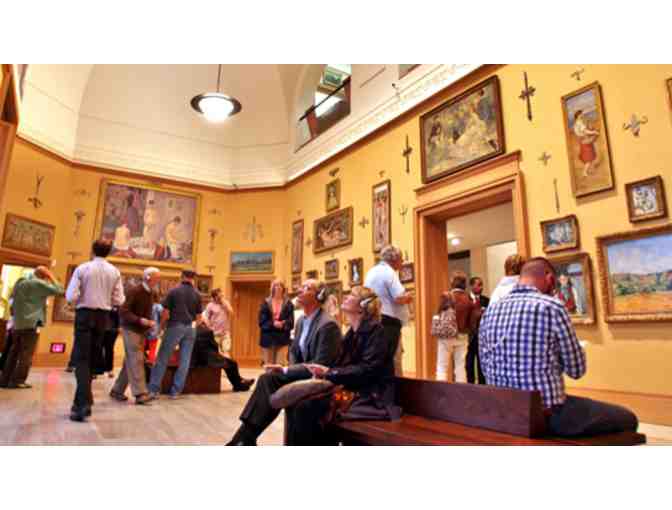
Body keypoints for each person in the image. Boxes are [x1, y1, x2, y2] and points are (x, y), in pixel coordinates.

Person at [479, 257, 638, 437]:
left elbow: (485, 367)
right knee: (628, 418)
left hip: (503, 413)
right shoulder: (551, 307)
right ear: (549, 278)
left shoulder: (490, 311)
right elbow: (576, 370)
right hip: (546, 415)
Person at [226, 279, 342, 446]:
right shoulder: (301, 321)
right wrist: (289, 369)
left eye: (307, 288)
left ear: (319, 296)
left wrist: (287, 371)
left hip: (319, 379)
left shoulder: (328, 325)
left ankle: (243, 439)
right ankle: (246, 437)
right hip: (304, 374)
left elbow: (320, 364)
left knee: (271, 380)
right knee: (267, 379)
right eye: (301, 287)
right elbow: (294, 351)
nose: (300, 290)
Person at [285, 286, 402, 445]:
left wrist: (330, 373)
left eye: (352, 295)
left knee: (307, 408)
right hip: (353, 392)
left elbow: (367, 370)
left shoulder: (377, 332)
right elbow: (341, 364)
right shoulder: (352, 333)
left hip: (372, 398)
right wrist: (324, 371)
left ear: (362, 306)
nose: (346, 296)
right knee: (299, 404)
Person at [66, 240, 125, 422]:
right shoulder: (114, 271)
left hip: (85, 314)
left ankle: (82, 404)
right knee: (91, 358)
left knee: (82, 359)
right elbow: (119, 300)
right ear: (109, 252)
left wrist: (79, 299)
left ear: (92, 250)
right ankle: (85, 399)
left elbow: (71, 296)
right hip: (103, 318)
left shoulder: (83, 268)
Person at [0, 266, 64, 389]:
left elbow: (12, 301)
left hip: (17, 323)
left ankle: (4, 379)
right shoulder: (39, 284)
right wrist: (51, 276)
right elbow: (60, 291)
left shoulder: (21, 282)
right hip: (31, 323)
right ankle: (18, 381)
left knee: (13, 352)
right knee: (26, 353)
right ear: (44, 276)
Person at [109, 267, 161, 405]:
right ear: (148, 277)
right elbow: (123, 311)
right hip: (130, 329)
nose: (158, 280)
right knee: (137, 359)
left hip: (141, 331)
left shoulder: (151, 292)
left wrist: (148, 323)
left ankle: (117, 390)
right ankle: (140, 394)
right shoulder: (135, 291)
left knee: (130, 361)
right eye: (156, 277)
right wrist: (139, 320)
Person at [148, 269, 202, 399]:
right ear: (193, 278)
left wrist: (161, 327)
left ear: (182, 276)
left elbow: (165, 313)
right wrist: (193, 326)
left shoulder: (174, 291)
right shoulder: (197, 294)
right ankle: (176, 392)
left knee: (162, 358)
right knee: (185, 361)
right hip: (190, 328)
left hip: (175, 326)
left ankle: (154, 390)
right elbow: (199, 317)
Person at [364, 245, 413, 376]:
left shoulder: (371, 271)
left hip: (374, 320)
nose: (402, 262)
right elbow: (398, 297)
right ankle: (397, 387)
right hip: (389, 323)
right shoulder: (389, 273)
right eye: (401, 259)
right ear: (394, 259)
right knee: (394, 359)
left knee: (378, 359)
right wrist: (409, 297)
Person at [436, 272, 475, 383]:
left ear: (452, 282)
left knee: (442, 366)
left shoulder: (446, 296)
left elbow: (439, 313)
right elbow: (472, 321)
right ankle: (461, 392)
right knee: (460, 367)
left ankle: (441, 391)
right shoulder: (469, 298)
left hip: (447, 335)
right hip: (462, 335)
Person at [193, 324, 254, 392]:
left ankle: (240, 380)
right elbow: (214, 346)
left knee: (229, 363)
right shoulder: (207, 332)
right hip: (207, 360)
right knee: (232, 364)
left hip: (196, 359)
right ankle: (238, 385)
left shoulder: (194, 331)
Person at [258, 279, 294, 366]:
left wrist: (283, 324)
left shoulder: (288, 303)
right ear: (272, 288)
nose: (278, 287)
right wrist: (273, 324)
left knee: (280, 366)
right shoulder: (265, 302)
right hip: (268, 338)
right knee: (268, 366)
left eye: (280, 285)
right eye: (276, 285)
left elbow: (291, 322)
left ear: (283, 288)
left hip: (283, 338)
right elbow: (261, 321)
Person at [467, 276, 489, 384]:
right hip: (469, 337)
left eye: (482, 285)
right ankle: (470, 385)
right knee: (469, 363)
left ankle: (482, 386)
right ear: (472, 286)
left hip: (482, 337)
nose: (481, 287)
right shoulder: (466, 300)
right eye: (479, 285)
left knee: (482, 364)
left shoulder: (486, 300)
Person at [203, 288, 233, 357]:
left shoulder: (226, 303)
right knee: (216, 354)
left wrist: (225, 304)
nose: (221, 298)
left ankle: (227, 363)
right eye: (219, 296)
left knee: (226, 352)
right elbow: (206, 318)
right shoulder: (210, 305)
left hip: (225, 333)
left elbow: (231, 312)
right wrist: (209, 328)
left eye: (222, 295)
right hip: (215, 334)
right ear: (215, 297)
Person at [572, 109, 600, 177]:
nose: (582, 115)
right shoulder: (579, 123)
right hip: (585, 141)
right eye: (581, 114)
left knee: (589, 156)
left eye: (582, 114)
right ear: (578, 115)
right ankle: (584, 172)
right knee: (589, 157)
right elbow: (585, 131)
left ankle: (590, 168)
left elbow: (583, 131)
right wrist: (594, 132)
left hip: (583, 141)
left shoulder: (576, 123)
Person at [100, 307, 120, 379]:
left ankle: (109, 369)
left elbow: (119, 315)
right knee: (98, 348)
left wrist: (118, 327)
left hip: (112, 329)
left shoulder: (116, 305)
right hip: (100, 327)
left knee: (109, 349)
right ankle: (97, 369)